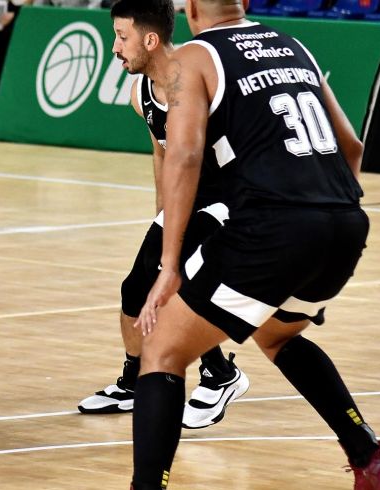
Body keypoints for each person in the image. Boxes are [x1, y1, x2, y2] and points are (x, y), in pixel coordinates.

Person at [75, 0, 380, 490]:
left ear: (189, 9)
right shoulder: (293, 46)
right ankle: (372, 458)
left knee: (160, 349)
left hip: (273, 227)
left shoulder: (196, 56)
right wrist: (329, 210)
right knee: (277, 335)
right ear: (245, 4)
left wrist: (170, 265)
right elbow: (351, 145)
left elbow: (183, 156)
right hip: (344, 222)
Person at [76, 0, 249, 429]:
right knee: (136, 289)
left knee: (178, 285)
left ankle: (221, 374)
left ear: (150, 40)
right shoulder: (140, 94)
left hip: (228, 200)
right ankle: (134, 381)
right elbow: (162, 151)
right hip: (185, 201)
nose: (115, 48)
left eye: (122, 37)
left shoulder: (195, 79)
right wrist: (162, 211)